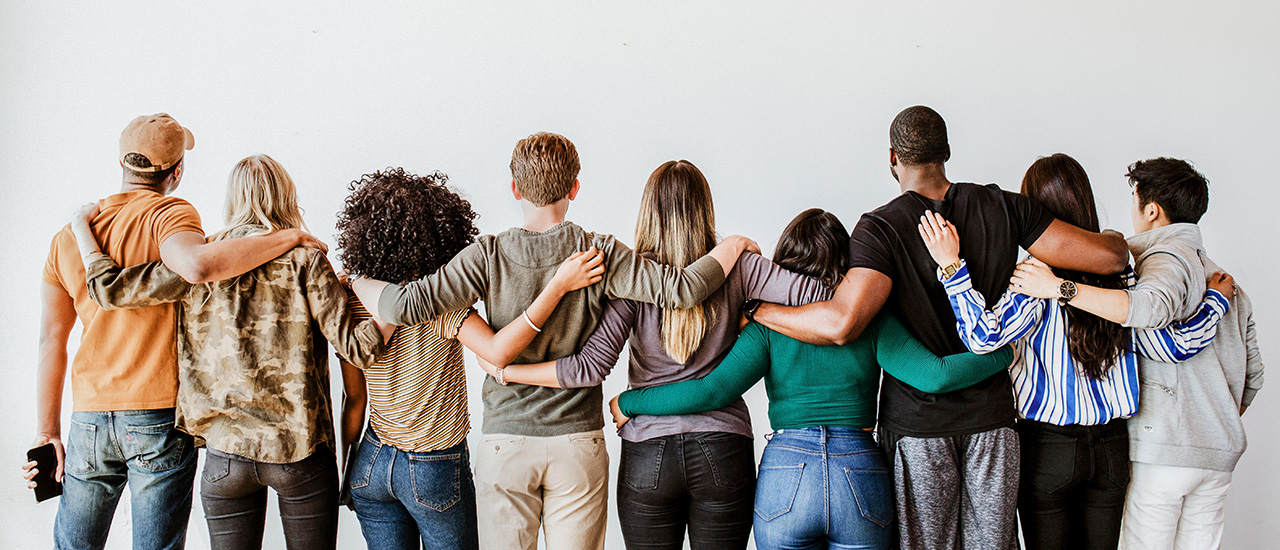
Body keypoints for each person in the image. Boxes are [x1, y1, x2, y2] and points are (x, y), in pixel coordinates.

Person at [350, 133, 758, 550]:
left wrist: (357, 279)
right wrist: (733, 245)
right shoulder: (598, 252)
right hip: (577, 441)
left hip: (505, 441)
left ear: (515, 188)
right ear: (574, 188)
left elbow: (402, 305)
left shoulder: (485, 255)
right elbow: (684, 289)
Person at [749, 106, 1130, 549]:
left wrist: (759, 310)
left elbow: (842, 324)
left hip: (918, 429)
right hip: (993, 425)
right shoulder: (1006, 207)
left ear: (892, 157)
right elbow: (1110, 258)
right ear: (947, 152)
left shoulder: (879, 228)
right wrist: (1120, 240)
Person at [605, 208, 1016, 550]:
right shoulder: (867, 320)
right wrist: (1005, 352)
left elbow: (709, 390)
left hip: (788, 473)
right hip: (859, 471)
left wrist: (630, 402)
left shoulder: (766, 325)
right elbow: (935, 376)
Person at [475, 161, 829, 549]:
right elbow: (821, 296)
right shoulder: (740, 266)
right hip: (724, 448)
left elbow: (589, 368)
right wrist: (755, 311)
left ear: (648, 210)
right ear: (705, 208)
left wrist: (508, 371)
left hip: (649, 453)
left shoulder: (634, 276)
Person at [23, 115, 325, 550]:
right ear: (176, 171)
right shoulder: (171, 213)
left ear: (123, 163)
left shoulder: (68, 238)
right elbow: (198, 266)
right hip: (157, 414)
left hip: (87, 418)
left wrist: (46, 430)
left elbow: (51, 341)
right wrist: (288, 237)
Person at [66, 154, 393, 550]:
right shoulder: (306, 260)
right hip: (299, 453)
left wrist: (81, 228)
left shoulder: (199, 260)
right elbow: (358, 350)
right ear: (286, 196)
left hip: (225, 458)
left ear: (232, 199)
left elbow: (111, 290)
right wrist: (397, 303)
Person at [916, 153, 1234, 550]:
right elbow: (1171, 345)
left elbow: (982, 337)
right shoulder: (1123, 272)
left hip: (1049, 448)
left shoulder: (1033, 276)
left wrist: (950, 267)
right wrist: (1216, 303)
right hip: (1112, 449)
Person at [332, 168, 604, 549]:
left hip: (371, 462)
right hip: (433, 465)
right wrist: (556, 287)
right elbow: (498, 350)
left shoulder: (352, 302)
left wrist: (346, 472)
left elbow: (354, 400)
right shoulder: (444, 304)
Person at [1007, 157, 1263, 549]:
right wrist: (1216, 421)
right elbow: (1255, 376)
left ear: (1152, 210)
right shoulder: (1221, 281)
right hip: (1195, 452)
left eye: (1133, 200)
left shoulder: (1148, 266)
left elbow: (1160, 336)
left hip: (1146, 449)